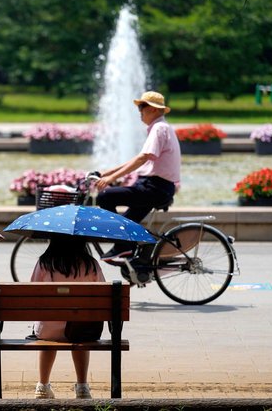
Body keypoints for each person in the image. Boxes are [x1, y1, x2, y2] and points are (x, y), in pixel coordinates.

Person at [95, 91, 181, 261]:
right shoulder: (160, 128)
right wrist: (108, 173)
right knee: (127, 223)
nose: (139, 111)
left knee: (105, 196)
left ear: (155, 110)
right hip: (154, 187)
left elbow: (142, 158)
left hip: (154, 187)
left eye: (143, 107)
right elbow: (139, 157)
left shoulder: (159, 128)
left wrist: (110, 180)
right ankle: (137, 257)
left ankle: (123, 246)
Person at [30, 234, 105, 399]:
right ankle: (83, 386)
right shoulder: (91, 265)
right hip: (81, 329)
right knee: (80, 337)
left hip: (48, 329)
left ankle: (42, 385)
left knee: (48, 337)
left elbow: (33, 293)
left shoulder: (44, 263)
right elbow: (103, 297)